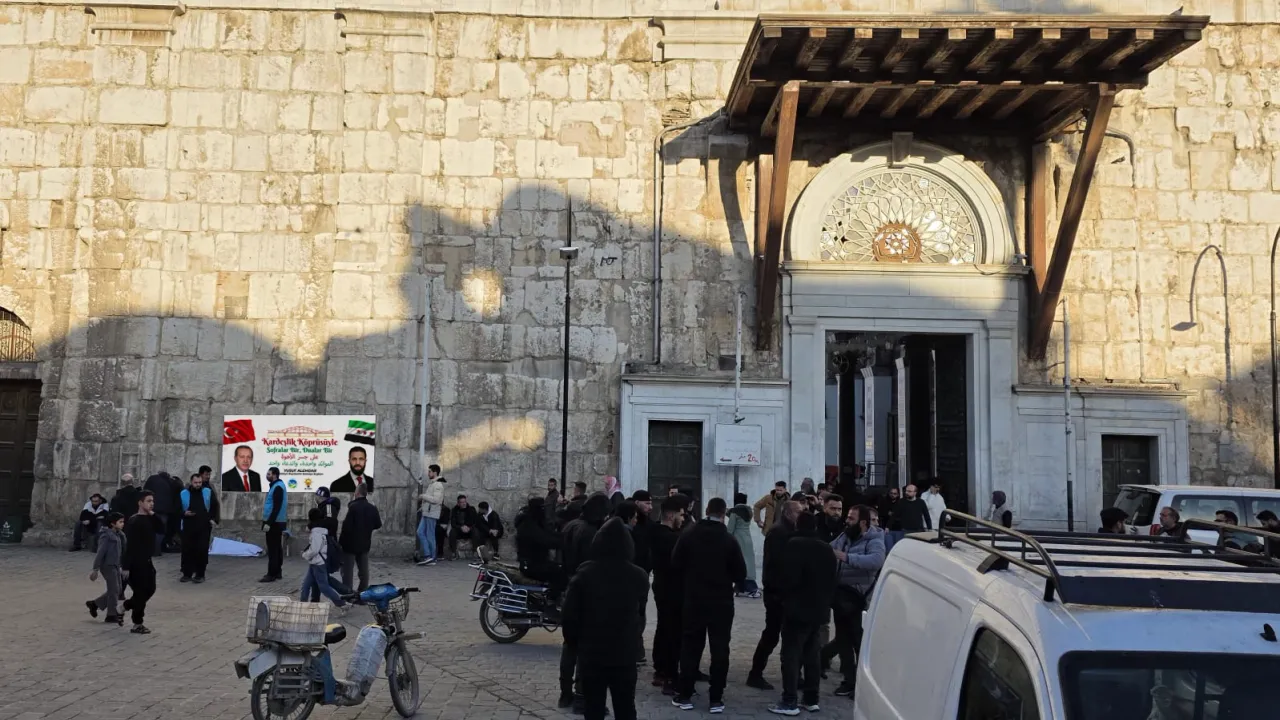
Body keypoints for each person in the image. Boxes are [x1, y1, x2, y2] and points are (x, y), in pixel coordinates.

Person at [562, 517, 649, 720]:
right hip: (624, 653)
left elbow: (570, 616)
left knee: (593, 708)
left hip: (593, 653)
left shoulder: (585, 574)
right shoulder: (638, 576)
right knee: (626, 707)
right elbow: (640, 615)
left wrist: (576, 643)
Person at [671, 497, 747, 714]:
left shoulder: (689, 535)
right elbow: (740, 573)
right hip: (721, 602)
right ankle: (716, 698)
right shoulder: (729, 540)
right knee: (720, 649)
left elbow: (675, 563)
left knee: (690, 646)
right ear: (724, 514)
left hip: (694, 599)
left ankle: (685, 694)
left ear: (706, 510)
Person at [768, 512, 837, 716]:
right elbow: (833, 578)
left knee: (791, 655)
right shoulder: (826, 548)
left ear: (797, 525)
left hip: (797, 609)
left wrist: (781, 598)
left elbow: (787, 578)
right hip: (819, 610)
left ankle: (789, 701)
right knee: (812, 655)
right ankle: (811, 698)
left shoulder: (794, 545)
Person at [824, 505, 885, 696]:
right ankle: (849, 680)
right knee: (843, 639)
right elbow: (829, 548)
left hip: (857, 597)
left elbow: (876, 561)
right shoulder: (845, 536)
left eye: (851, 518)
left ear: (863, 523)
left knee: (857, 640)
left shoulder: (875, 540)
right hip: (841, 595)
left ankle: (860, 682)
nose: (847, 521)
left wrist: (846, 557)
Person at [559, 493, 611, 711]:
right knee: (585, 647)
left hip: (569, 588)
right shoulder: (590, 533)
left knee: (570, 644)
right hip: (585, 594)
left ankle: (565, 693)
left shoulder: (571, 526)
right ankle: (581, 696)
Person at [747, 500, 802, 691]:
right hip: (777, 593)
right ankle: (755, 673)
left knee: (788, 636)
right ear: (787, 513)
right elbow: (778, 564)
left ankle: (793, 675)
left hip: (785, 592)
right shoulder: (779, 532)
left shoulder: (790, 530)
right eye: (798, 512)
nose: (800, 515)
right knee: (772, 634)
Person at [650, 495, 687, 694]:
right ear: (671, 515)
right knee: (673, 631)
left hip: (662, 585)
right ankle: (670, 675)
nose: (683, 518)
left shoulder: (656, 532)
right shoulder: (671, 538)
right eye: (681, 514)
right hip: (672, 588)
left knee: (664, 627)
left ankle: (661, 669)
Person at [122, 491, 158, 634]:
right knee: (141, 593)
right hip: (136, 563)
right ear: (140, 503)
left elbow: (162, 528)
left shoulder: (150, 518)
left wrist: (153, 514)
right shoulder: (134, 521)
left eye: (152, 501)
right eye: (148, 501)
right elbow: (129, 545)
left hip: (147, 560)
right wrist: (126, 566)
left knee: (150, 589)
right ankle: (137, 623)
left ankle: (124, 606)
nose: (151, 504)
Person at [514, 496, 565, 597]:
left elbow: (549, 533)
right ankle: (552, 601)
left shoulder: (536, 521)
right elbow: (544, 539)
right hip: (531, 564)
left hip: (537, 561)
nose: (544, 511)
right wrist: (562, 542)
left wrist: (565, 536)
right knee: (559, 574)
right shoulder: (528, 524)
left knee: (558, 568)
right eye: (542, 508)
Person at [300, 507, 347, 609]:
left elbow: (314, 550)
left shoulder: (316, 533)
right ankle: (301, 604)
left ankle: (342, 603)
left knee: (324, 587)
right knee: (306, 585)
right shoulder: (321, 531)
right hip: (315, 563)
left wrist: (304, 555)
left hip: (318, 563)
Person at [86, 511, 127, 626]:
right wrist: (95, 569)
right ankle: (111, 615)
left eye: (123, 522)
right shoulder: (106, 536)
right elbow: (100, 552)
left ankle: (95, 604)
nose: (123, 524)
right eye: (120, 522)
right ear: (113, 523)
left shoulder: (119, 534)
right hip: (107, 566)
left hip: (116, 565)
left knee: (118, 590)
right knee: (114, 590)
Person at [340, 483, 382, 592]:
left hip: (350, 544)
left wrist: (341, 543)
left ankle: (348, 593)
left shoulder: (353, 507)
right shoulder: (372, 508)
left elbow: (346, 527)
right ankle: (363, 592)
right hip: (365, 543)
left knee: (347, 571)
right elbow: (378, 524)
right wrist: (367, 528)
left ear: (357, 493)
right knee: (364, 571)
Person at [179, 472, 219, 583]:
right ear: (191, 482)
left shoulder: (208, 492)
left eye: (200, 482)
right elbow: (176, 508)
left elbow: (215, 506)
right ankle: (187, 573)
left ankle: (200, 574)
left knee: (201, 550)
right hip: (188, 526)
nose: (198, 485)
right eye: (196, 482)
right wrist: (184, 513)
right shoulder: (183, 493)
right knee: (187, 550)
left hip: (203, 526)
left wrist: (212, 518)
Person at [727, 493, 758, 598]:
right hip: (747, 537)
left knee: (740, 562)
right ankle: (742, 587)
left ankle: (748, 588)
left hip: (738, 538)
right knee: (748, 561)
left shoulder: (735, 512)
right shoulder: (749, 510)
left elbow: (730, 528)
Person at [260, 467, 287, 583]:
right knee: (276, 548)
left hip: (274, 523)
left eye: (269, 474)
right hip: (276, 522)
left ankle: (271, 574)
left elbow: (276, 507)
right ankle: (277, 572)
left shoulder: (278, 487)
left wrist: (268, 523)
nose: (267, 476)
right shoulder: (276, 486)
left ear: (275, 475)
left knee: (273, 550)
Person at [416, 464, 446, 566]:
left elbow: (436, 500)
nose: (428, 473)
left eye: (429, 471)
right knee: (420, 532)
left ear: (435, 472)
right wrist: (423, 507)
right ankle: (428, 555)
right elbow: (431, 500)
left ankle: (431, 557)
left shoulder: (438, 485)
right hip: (427, 513)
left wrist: (423, 496)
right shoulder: (433, 484)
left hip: (431, 514)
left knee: (430, 535)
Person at [143, 472, 175, 556]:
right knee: (160, 530)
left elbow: (145, 491)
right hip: (164, 510)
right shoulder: (168, 482)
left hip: (152, 508)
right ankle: (157, 550)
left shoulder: (152, 478)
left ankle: (152, 550)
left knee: (152, 530)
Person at [448, 494, 481, 560]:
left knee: (476, 531)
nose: (464, 504)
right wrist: (461, 527)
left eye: (464, 502)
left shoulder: (471, 509)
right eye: (462, 502)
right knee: (452, 532)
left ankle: (475, 552)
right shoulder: (454, 510)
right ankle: (454, 553)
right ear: (458, 503)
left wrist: (469, 528)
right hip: (459, 529)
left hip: (469, 529)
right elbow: (453, 523)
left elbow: (476, 522)